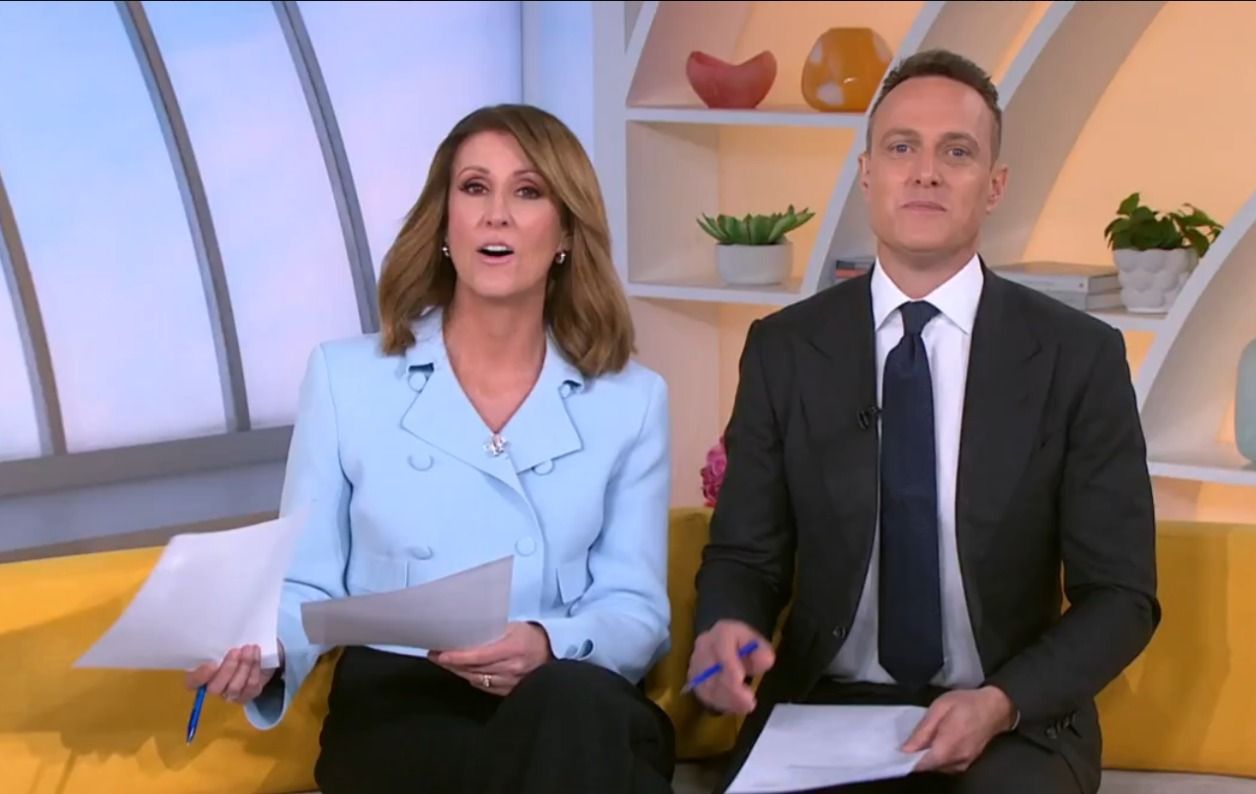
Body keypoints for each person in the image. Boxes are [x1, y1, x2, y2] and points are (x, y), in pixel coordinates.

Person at [687, 48, 1161, 793]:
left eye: (957, 152)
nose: (926, 172)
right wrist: (725, 631)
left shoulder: (1078, 358)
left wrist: (1001, 702)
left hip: (1010, 716)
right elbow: (746, 557)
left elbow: (1121, 595)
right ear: (866, 173)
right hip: (823, 705)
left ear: (995, 185)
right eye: (902, 147)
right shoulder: (785, 350)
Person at [183, 104, 676, 794]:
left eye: (527, 192)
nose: (496, 215)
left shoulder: (631, 399)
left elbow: (636, 609)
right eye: (474, 188)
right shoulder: (346, 379)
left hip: (564, 689)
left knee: (571, 708)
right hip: (402, 705)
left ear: (566, 230)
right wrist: (262, 652)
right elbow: (306, 584)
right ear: (444, 223)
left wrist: (547, 645)